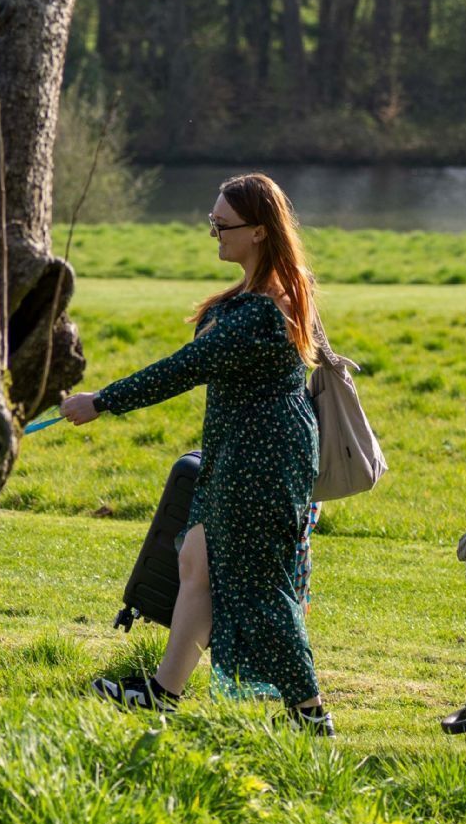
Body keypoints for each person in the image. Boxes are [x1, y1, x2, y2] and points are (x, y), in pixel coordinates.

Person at [59, 172, 329, 729]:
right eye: (212, 222)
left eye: (222, 225)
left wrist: (102, 401)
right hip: (236, 454)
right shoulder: (252, 295)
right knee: (195, 561)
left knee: (260, 588)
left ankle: (310, 714)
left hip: (264, 461)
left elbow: (183, 370)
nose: (214, 234)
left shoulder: (263, 309)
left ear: (258, 231)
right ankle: (164, 693)